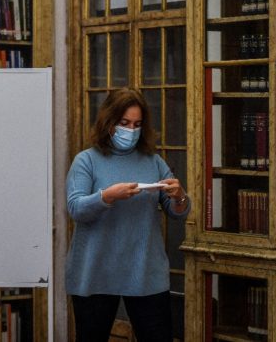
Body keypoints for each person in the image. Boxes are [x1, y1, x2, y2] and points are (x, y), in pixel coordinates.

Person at [65, 88, 190, 342]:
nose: (130, 130)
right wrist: (107, 196)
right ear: (108, 122)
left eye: (137, 124)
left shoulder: (153, 162)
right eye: (124, 123)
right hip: (96, 271)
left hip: (145, 271)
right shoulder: (86, 161)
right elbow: (76, 209)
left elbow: (179, 212)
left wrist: (179, 196)